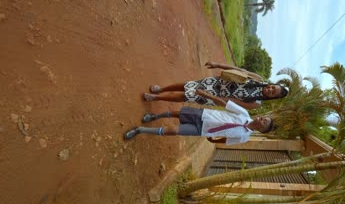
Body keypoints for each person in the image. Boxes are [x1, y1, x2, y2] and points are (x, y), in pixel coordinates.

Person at [124, 90, 274, 145]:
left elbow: (226, 141)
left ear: (262, 129)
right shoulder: (245, 114)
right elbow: (225, 103)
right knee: (178, 114)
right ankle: (155, 116)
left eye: (264, 122)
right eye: (264, 118)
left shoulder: (243, 138)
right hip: (204, 115)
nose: (261, 119)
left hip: (202, 129)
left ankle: (140, 130)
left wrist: (213, 138)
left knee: (174, 131)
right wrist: (205, 94)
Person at [142, 61, 289, 110]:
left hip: (216, 97)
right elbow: (238, 70)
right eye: (272, 87)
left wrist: (209, 96)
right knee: (187, 85)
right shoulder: (259, 78)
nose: (270, 90)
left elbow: (232, 102)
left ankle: (156, 97)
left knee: (186, 96)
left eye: (272, 93)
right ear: (272, 84)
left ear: (272, 97)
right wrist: (217, 64)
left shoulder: (256, 103)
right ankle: (162, 89)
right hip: (216, 82)